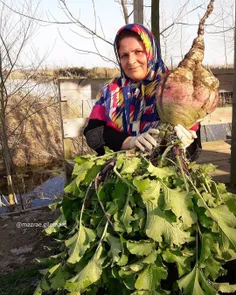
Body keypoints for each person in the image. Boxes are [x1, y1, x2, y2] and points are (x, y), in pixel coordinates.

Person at [84, 23, 201, 159]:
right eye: (124, 55)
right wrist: (129, 142)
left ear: (151, 52)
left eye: (138, 52)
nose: (131, 61)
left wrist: (186, 146)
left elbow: (195, 148)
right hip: (117, 169)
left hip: (163, 170)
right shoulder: (111, 90)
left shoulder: (175, 88)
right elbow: (92, 135)